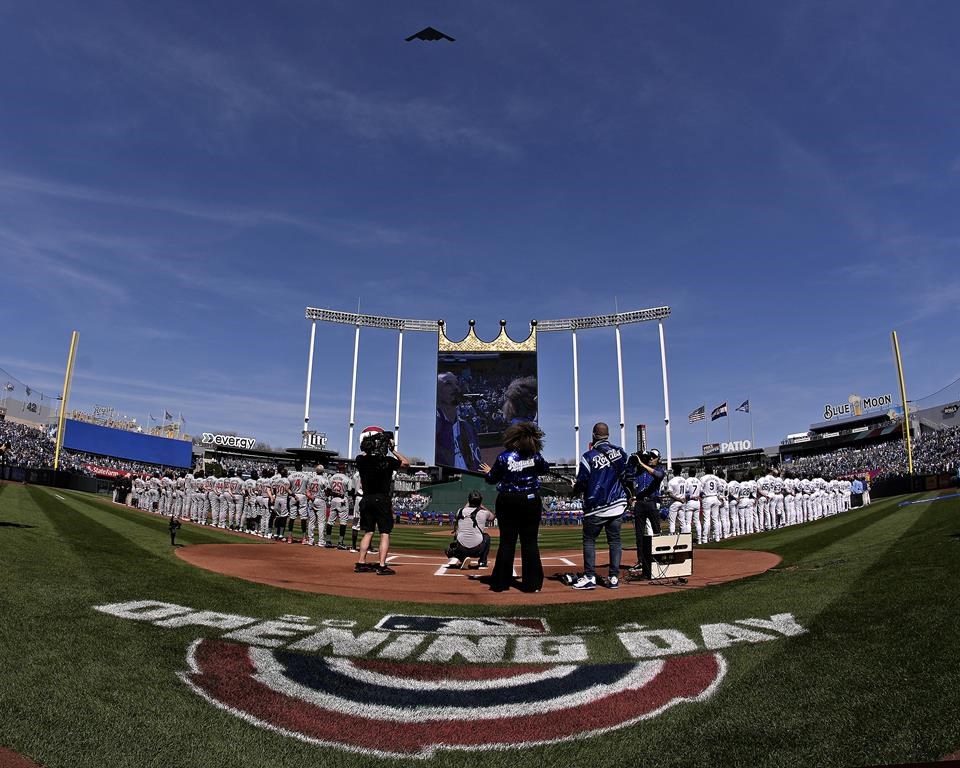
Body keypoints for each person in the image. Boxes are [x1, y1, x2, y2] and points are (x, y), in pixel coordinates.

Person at [479, 422, 549, 593]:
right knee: (530, 542)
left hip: (507, 499)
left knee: (507, 542)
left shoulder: (504, 457)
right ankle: (532, 584)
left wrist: (489, 472)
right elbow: (544, 469)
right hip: (531, 499)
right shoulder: (535, 456)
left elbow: (492, 478)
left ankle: (500, 583)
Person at [570, 423, 630, 590]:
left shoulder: (588, 456)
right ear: (608, 435)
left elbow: (582, 482)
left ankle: (589, 576)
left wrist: (575, 488)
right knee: (615, 542)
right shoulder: (621, 452)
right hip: (618, 504)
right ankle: (613, 578)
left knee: (589, 541)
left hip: (596, 506)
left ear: (594, 435)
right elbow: (628, 475)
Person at [354, 428, 410, 575]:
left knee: (368, 532)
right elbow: (405, 463)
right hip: (381, 499)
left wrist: (372, 442)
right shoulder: (388, 461)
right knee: (384, 533)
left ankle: (361, 563)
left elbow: (364, 453)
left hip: (366, 499)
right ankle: (382, 565)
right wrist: (393, 450)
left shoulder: (361, 460)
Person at [625, 448, 666, 575]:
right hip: (640, 504)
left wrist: (642, 464)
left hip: (652, 502)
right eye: (650, 456)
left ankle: (660, 558)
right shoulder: (639, 471)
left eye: (653, 457)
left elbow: (658, 476)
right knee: (639, 535)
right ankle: (641, 561)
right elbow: (628, 479)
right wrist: (631, 497)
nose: (651, 458)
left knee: (656, 532)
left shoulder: (659, 470)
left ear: (658, 459)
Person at [435, 372, 481, 471]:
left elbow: (476, 460)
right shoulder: (434, 428)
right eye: (448, 384)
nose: (456, 388)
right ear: (436, 391)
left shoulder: (468, 428)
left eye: (456, 383)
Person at [446, 490, 495, 569]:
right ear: (480, 501)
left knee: (448, 549)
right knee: (487, 537)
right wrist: (482, 506)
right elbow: (492, 517)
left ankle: (463, 558)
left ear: (468, 500)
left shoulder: (460, 511)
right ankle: (483, 561)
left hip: (461, 549)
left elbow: (463, 511)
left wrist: (469, 502)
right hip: (477, 550)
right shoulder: (484, 513)